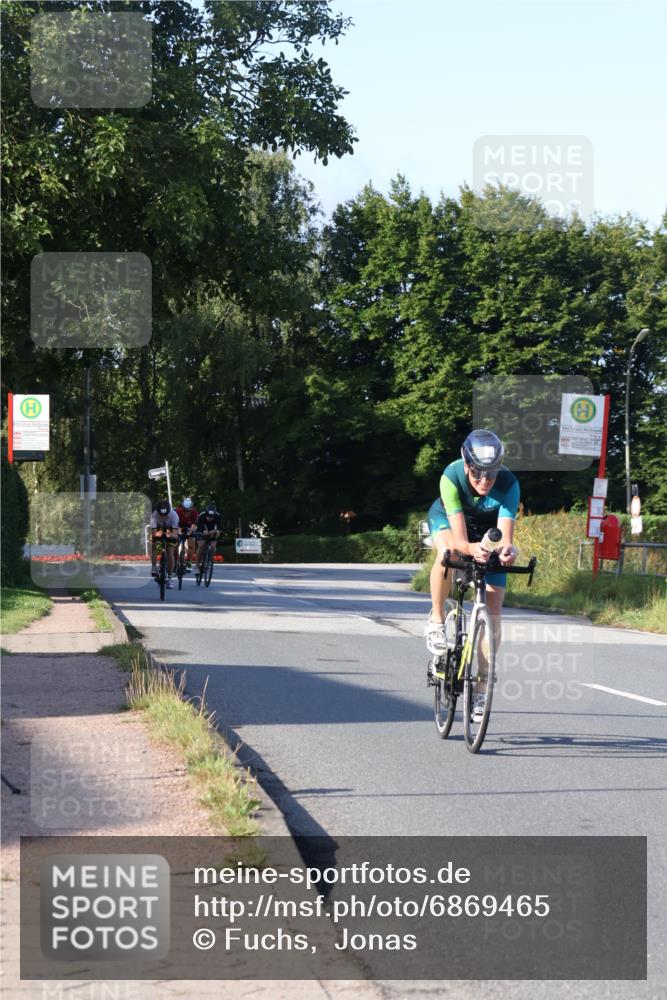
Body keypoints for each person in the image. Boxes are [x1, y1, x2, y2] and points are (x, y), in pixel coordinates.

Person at [425, 430, 519, 717]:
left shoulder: (509, 484)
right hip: (451, 523)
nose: (484, 481)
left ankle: (481, 688)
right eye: (478, 473)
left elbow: (505, 538)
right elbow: (461, 541)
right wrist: (469, 548)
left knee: (494, 606)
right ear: (467, 465)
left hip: (486, 530)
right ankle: (437, 619)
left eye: (491, 474)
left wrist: (506, 552)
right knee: (449, 555)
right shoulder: (450, 477)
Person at [150, 499, 180, 587]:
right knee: (154, 544)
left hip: (170, 530)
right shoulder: (154, 515)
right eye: (161, 515)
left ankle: (170, 578)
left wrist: (169, 535)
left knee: (170, 553)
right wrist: (157, 534)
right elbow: (154, 532)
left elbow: (175, 535)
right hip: (158, 530)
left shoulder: (174, 515)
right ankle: (154, 567)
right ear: (157, 512)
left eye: (165, 515)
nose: (163, 517)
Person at [195, 504, 222, 581]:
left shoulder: (217, 516)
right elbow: (204, 532)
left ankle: (209, 561)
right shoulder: (201, 516)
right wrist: (212, 532)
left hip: (212, 530)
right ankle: (197, 565)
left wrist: (216, 533)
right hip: (202, 529)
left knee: (213, 546)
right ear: (206, 514)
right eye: (209, 517)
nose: (210, 518)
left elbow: (218, 531)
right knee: (202, 545)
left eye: (212, 517)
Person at [175, 496, 199, 569]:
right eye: (185, 511)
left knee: (191, 544)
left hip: (190, 526)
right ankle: (175, 562)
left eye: (188, 511)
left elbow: (195, 524)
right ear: (182, 508)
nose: (186, 513)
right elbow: (174, 523)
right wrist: (178, 530)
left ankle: (189, 562)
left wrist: (191, 531)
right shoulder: (177, 511)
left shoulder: (194, 512)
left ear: (191, 509)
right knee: (175, 544)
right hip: (179, 525)